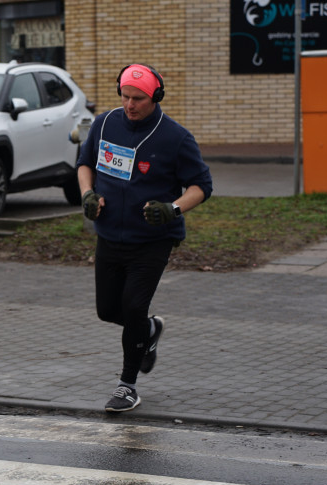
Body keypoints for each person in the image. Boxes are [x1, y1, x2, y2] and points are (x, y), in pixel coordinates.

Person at [76, 63, 213, 413]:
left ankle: (127, 386)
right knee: (109, 310)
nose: (130, 104)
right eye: (125, 96)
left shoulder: (175, 137)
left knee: (134, 307)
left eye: (138, 98)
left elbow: (201, 186)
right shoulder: (106, 123)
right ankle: (148, 331)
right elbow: (84, 163)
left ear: (155, 97)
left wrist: (173, 209)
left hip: (153, 239)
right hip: (109, 234)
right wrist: (88, 194)